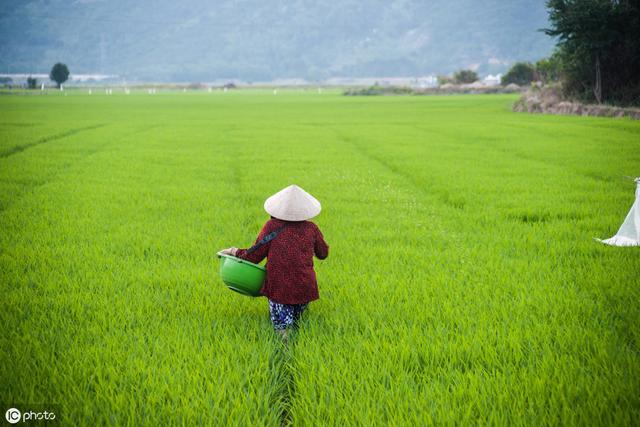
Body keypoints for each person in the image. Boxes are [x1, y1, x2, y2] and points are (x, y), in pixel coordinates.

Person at [220, 185, 329, 341]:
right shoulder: (312, 228)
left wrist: (233, 251)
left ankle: (284, 352)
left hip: (280, 289)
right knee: (298, 326)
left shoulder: (271, 226)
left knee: (283, 330)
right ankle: (299, 350)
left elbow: (254, 256)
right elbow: (323, 253)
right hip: (305, 288)